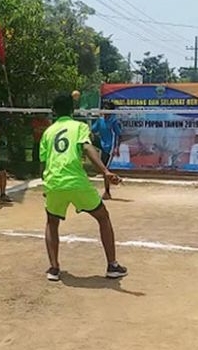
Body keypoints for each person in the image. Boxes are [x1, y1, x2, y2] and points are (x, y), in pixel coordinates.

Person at [39, 93, 128, 282]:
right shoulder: (79, 126)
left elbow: (43, 162)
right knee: (103, 217)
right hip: (76, 181)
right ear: (72, 110)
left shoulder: (48, 132)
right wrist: (105, 171)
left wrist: (46, 184)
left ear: (54, 111)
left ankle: (54, 269)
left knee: (52, 222)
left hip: (54, 181)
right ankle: (112, 266)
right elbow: (87, 148)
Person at [90, 101, 122, 200]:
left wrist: (117, 147)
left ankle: (107, 191)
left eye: (107, 108)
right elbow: (93, 130)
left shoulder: (114, 121)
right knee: (103, 170)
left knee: (105, 170)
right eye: (104, 108)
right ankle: (115, 179)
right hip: (102, 145)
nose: (105, 110)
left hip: (110, 147)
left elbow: (119, 135)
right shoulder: (100, 120)